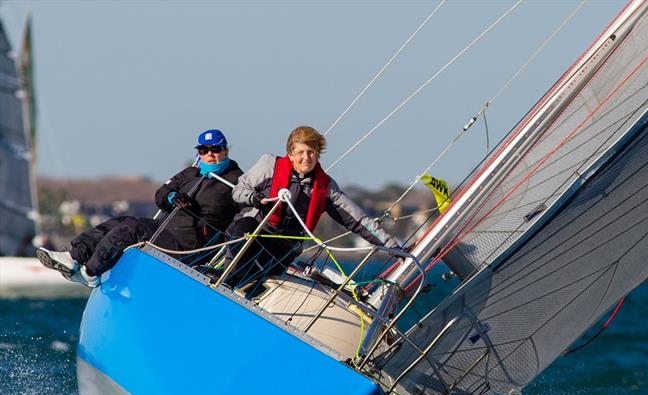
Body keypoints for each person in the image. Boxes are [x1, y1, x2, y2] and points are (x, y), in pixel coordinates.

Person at [36, 129, 244, 287]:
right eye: (204, 150)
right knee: (120, 221)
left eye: (215, 150)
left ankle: (90, 273)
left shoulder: (236, 181)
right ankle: (74, 256)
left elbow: (245, 213)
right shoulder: (190, 173)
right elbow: (161, 194)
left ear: (225, 150)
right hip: (165, 231)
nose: (210, 155)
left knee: (132, 230)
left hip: (189, 246)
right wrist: (172, 197)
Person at [224, 125, 400, 284]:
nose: (306, 157)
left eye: (311, 152)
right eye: (300, 152)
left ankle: (246, 286)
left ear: (317, 154)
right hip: (257, 230)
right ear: (291, 154)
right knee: (243, 231)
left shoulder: (326, 188)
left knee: (262, 278)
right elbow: (239, 190)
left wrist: (393, 247)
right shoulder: (269, 165)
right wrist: (254, 198)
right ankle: (227, 278)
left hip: (284, 245)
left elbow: (359, 220)